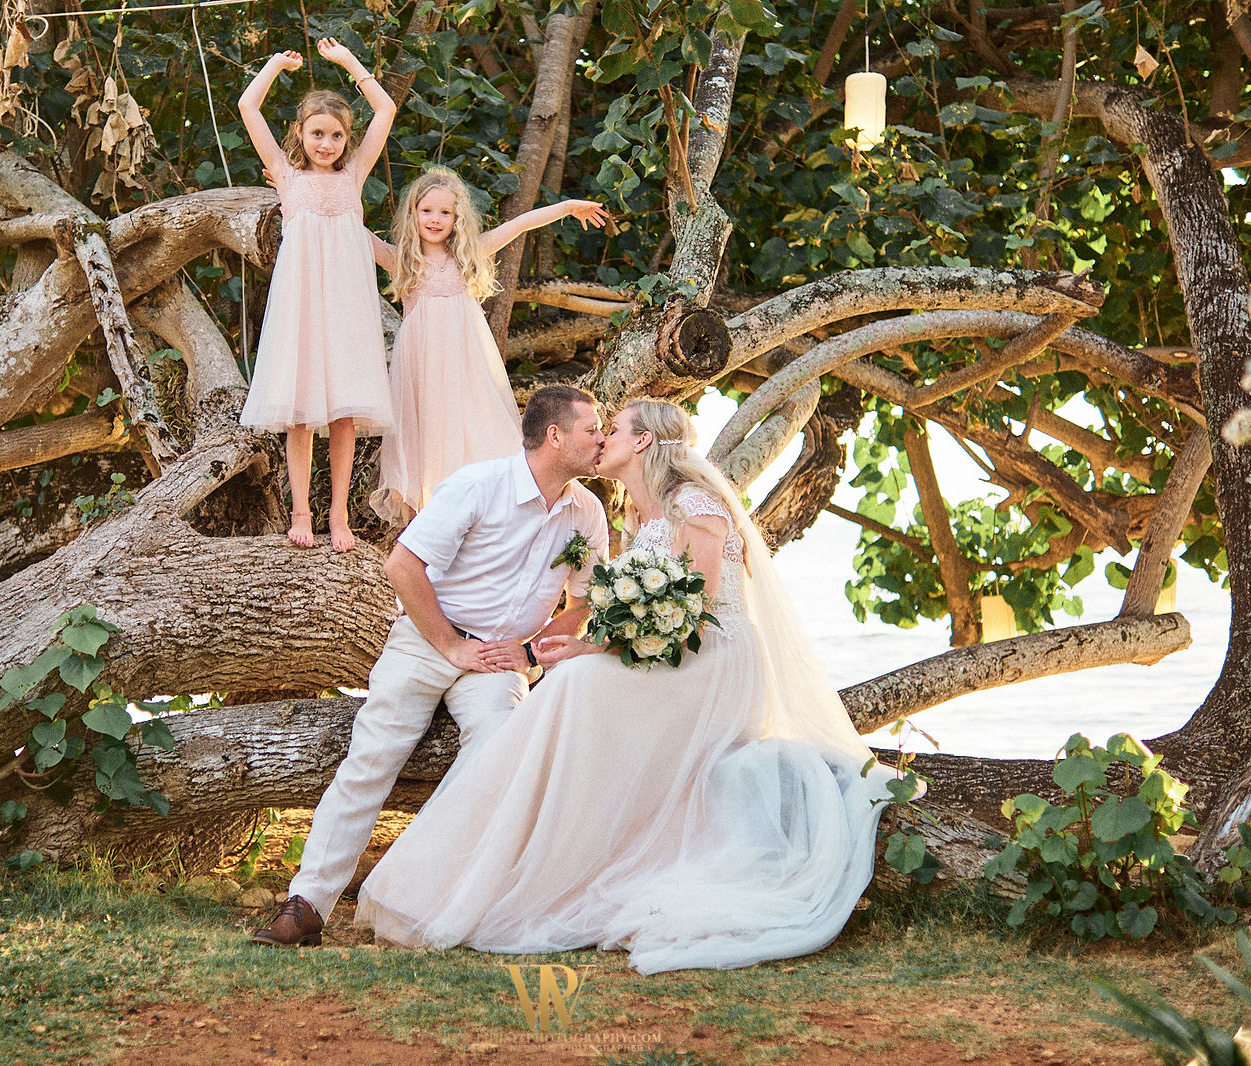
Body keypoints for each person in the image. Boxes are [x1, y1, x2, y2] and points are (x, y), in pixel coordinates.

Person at [354, 399, 897, 974]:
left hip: (714, 665)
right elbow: (628, 616)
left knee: (574, 684)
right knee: (572, 682)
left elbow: (694, 619)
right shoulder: (638, 518)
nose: (603, 437)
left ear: (641, 443)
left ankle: (529, 861)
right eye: (597, 428)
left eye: (613, 429)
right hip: (668, 660)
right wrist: (584, 646)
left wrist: (590, 648)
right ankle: (497, 864)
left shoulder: (696, 505)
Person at [251, 385, 612, 948]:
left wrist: (527, 651)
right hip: (426, 641)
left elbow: (586, 603)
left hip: (499, 663)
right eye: (594, 429)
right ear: (555, 435)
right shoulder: (478, 485)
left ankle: (429, 893)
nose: (603, 439)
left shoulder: (587, 512)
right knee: (372, 756)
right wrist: (448, 644)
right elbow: (403, 563)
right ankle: (308, 903)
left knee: (498, 754)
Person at [368, 167, 609, 525]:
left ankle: (486, 520)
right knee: (425, 440)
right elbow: (347, 224)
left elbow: (520, 225)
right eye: (427, 210)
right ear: (412, 214)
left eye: (445, 212)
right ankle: (428, 524)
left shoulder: (468, 254)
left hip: (466, 366)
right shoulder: (402, 258)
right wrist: (301, 190)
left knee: (477, 435)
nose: (435, 220)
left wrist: (567, 206)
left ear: (457, 218)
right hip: (421, 368)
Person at [237, 40, 395, 552]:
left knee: (343, 415)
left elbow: (386, 109)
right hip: (301, 304)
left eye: (335, 135)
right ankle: (301, 511)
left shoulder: (353, 176)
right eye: (316, 133)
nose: (326, 143)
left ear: (347, 141)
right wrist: (275, 66)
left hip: (347, 306)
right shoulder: (287, 177)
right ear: (300, 135)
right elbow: (247, 106)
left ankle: (339, 515)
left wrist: (349, 63)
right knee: (303, 414)